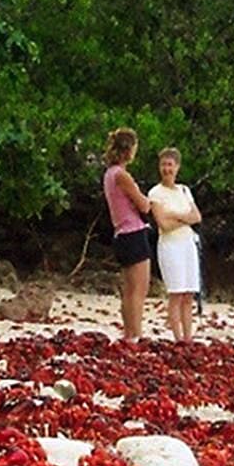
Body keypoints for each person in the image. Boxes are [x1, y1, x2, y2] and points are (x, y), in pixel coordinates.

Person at [102, 127, 154, 340]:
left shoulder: (109, 174)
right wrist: (149, 201)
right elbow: (143, 205)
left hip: (120, 233)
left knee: (128, 288)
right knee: (139, 289)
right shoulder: (122, 176)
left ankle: (128, 333)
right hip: (133, 232)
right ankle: (136, 334)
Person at [146, 147, 202, 342]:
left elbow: (196, 216)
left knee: (188, 294)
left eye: (170, 165)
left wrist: (176, 215)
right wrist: (183, 218)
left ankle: (188, 337)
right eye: (163, 165)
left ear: (177, 167)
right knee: (176, 293)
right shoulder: (155, 193)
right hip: (170, 246)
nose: (166, 169)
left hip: (187, 244)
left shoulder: (184, 190)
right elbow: (163, 224)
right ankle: (178, 338)